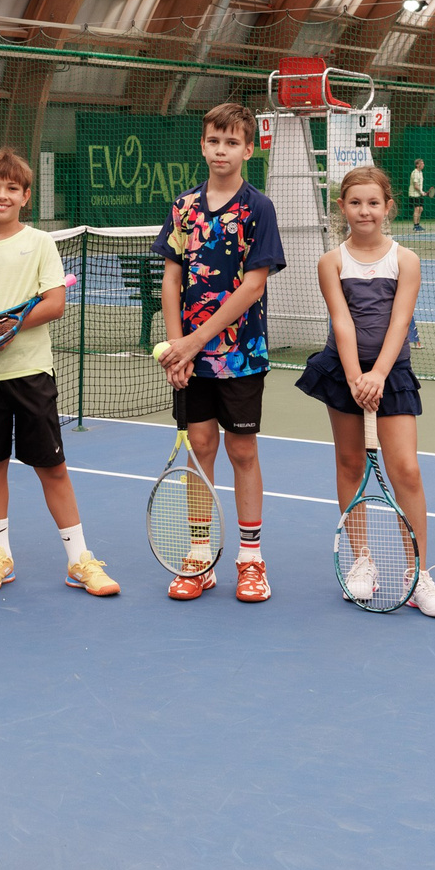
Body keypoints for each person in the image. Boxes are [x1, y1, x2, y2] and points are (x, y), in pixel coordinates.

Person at [0, 146, 116, 596]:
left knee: (53, 466)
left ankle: (80, 560)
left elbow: (55, 302)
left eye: (11, 188)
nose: (1, 195)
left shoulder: (41, 242)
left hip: (30, 374)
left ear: (26, 195)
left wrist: (7, 327)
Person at [298, 165, 435, 617]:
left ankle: (417, 574)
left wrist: (379, 375)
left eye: (374, 203)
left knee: (406, 469)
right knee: (349, 464)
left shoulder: (406, 260)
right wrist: (354, 378)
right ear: (342, 207)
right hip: (343, 373)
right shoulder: (331, 262)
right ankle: (361, 561)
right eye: (355, 202)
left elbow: (401, 321)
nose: (365, 211)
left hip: (392, 374)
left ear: (388, 207)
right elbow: (341, 322)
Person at [152, 103, 286, 602]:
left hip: (240, 356)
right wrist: (175, 349)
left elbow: (252, 287)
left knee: (242, 450)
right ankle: (200, 555)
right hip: (190, 357)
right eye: (214, 141)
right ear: (203, 144)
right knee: (200, 449)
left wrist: (194, 341)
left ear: (248, 149)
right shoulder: (184, 207)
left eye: (232, 142)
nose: (221, 150)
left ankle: (250, 559)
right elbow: (171, 277)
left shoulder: (259, 209)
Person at [407, 157, 429, 229]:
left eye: (423, 163)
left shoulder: (420, 172)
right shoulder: (415, 173)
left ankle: (418, 225)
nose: (423, 165)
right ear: (417, 165)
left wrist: (421, 192)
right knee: (417, 209)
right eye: (422, 163)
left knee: (421, 209)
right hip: (413, 194)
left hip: (419, 194)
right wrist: (422, 192)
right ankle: (415, 225)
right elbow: (416, 186)